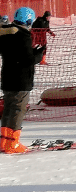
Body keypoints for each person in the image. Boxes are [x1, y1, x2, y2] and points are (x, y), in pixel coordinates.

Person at [0, 8, 45, 154]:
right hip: (21, 79)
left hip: (8, 77)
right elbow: (27, 60)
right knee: (18, 110)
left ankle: (4, 141)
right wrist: (39, 54)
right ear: (28, 20)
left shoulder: (6, 32)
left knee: (8, 109)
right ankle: (13, 144)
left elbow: (15, 54)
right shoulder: (23, 35)